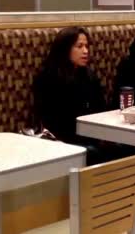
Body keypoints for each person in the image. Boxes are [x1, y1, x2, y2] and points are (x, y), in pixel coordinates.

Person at [33, 27, 109, 165]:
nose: (85, 51)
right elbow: (53, 121)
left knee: (125, 149)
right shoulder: (49, 78)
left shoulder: (88, 75)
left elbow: (100, 109)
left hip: (90, 136)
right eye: (79, 46)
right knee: (96, 153)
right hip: (61, 142)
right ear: (65, 49)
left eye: (86, 46)